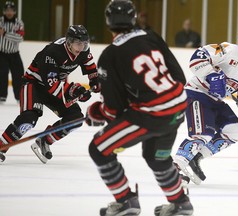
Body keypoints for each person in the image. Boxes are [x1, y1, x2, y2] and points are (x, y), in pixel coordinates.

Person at [86, 0, 193, 215]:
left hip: (152, 114)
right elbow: (178, 76)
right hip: (178, 107)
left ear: (108, 23)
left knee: (99, 149)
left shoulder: (109, 55)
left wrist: (97, 112)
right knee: (157, 157)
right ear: (133, 19)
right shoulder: (151, 36)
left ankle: (126, 201)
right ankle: (181, 203)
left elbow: (114, 110)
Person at [173, 26, 238, 185]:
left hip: (216, 100)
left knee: (234, 130)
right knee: (202, 134)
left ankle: (197, 157)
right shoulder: (228, 50)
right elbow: (197, 57)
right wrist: (211, 74)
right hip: (196, 93)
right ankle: (176, 168)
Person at [0, 25, 100, 163]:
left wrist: (95, 80)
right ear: (69, 42)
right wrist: (74, 90)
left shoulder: (83, 50)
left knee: (75, 118)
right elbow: (52, 85)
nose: (81, 47)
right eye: (78, 43)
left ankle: (45, 140)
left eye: (84, 43)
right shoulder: (52, 52)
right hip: (34, 84)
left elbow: (90, 65)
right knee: (29, 118)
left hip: (55, 87)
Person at [0, 1, 24, 103]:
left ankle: (19, 97)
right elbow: (16, 36)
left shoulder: (19, 23)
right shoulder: (0, 21)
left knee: (19, 74)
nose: (9, 12)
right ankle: (2, 96)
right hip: (2, 53)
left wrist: (5, 33)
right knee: (2, 75)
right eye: (7, 10)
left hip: (14, 53)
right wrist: (12, 35)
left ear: (14, 12)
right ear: (4, 11)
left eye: (11, 10)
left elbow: (20, 38)